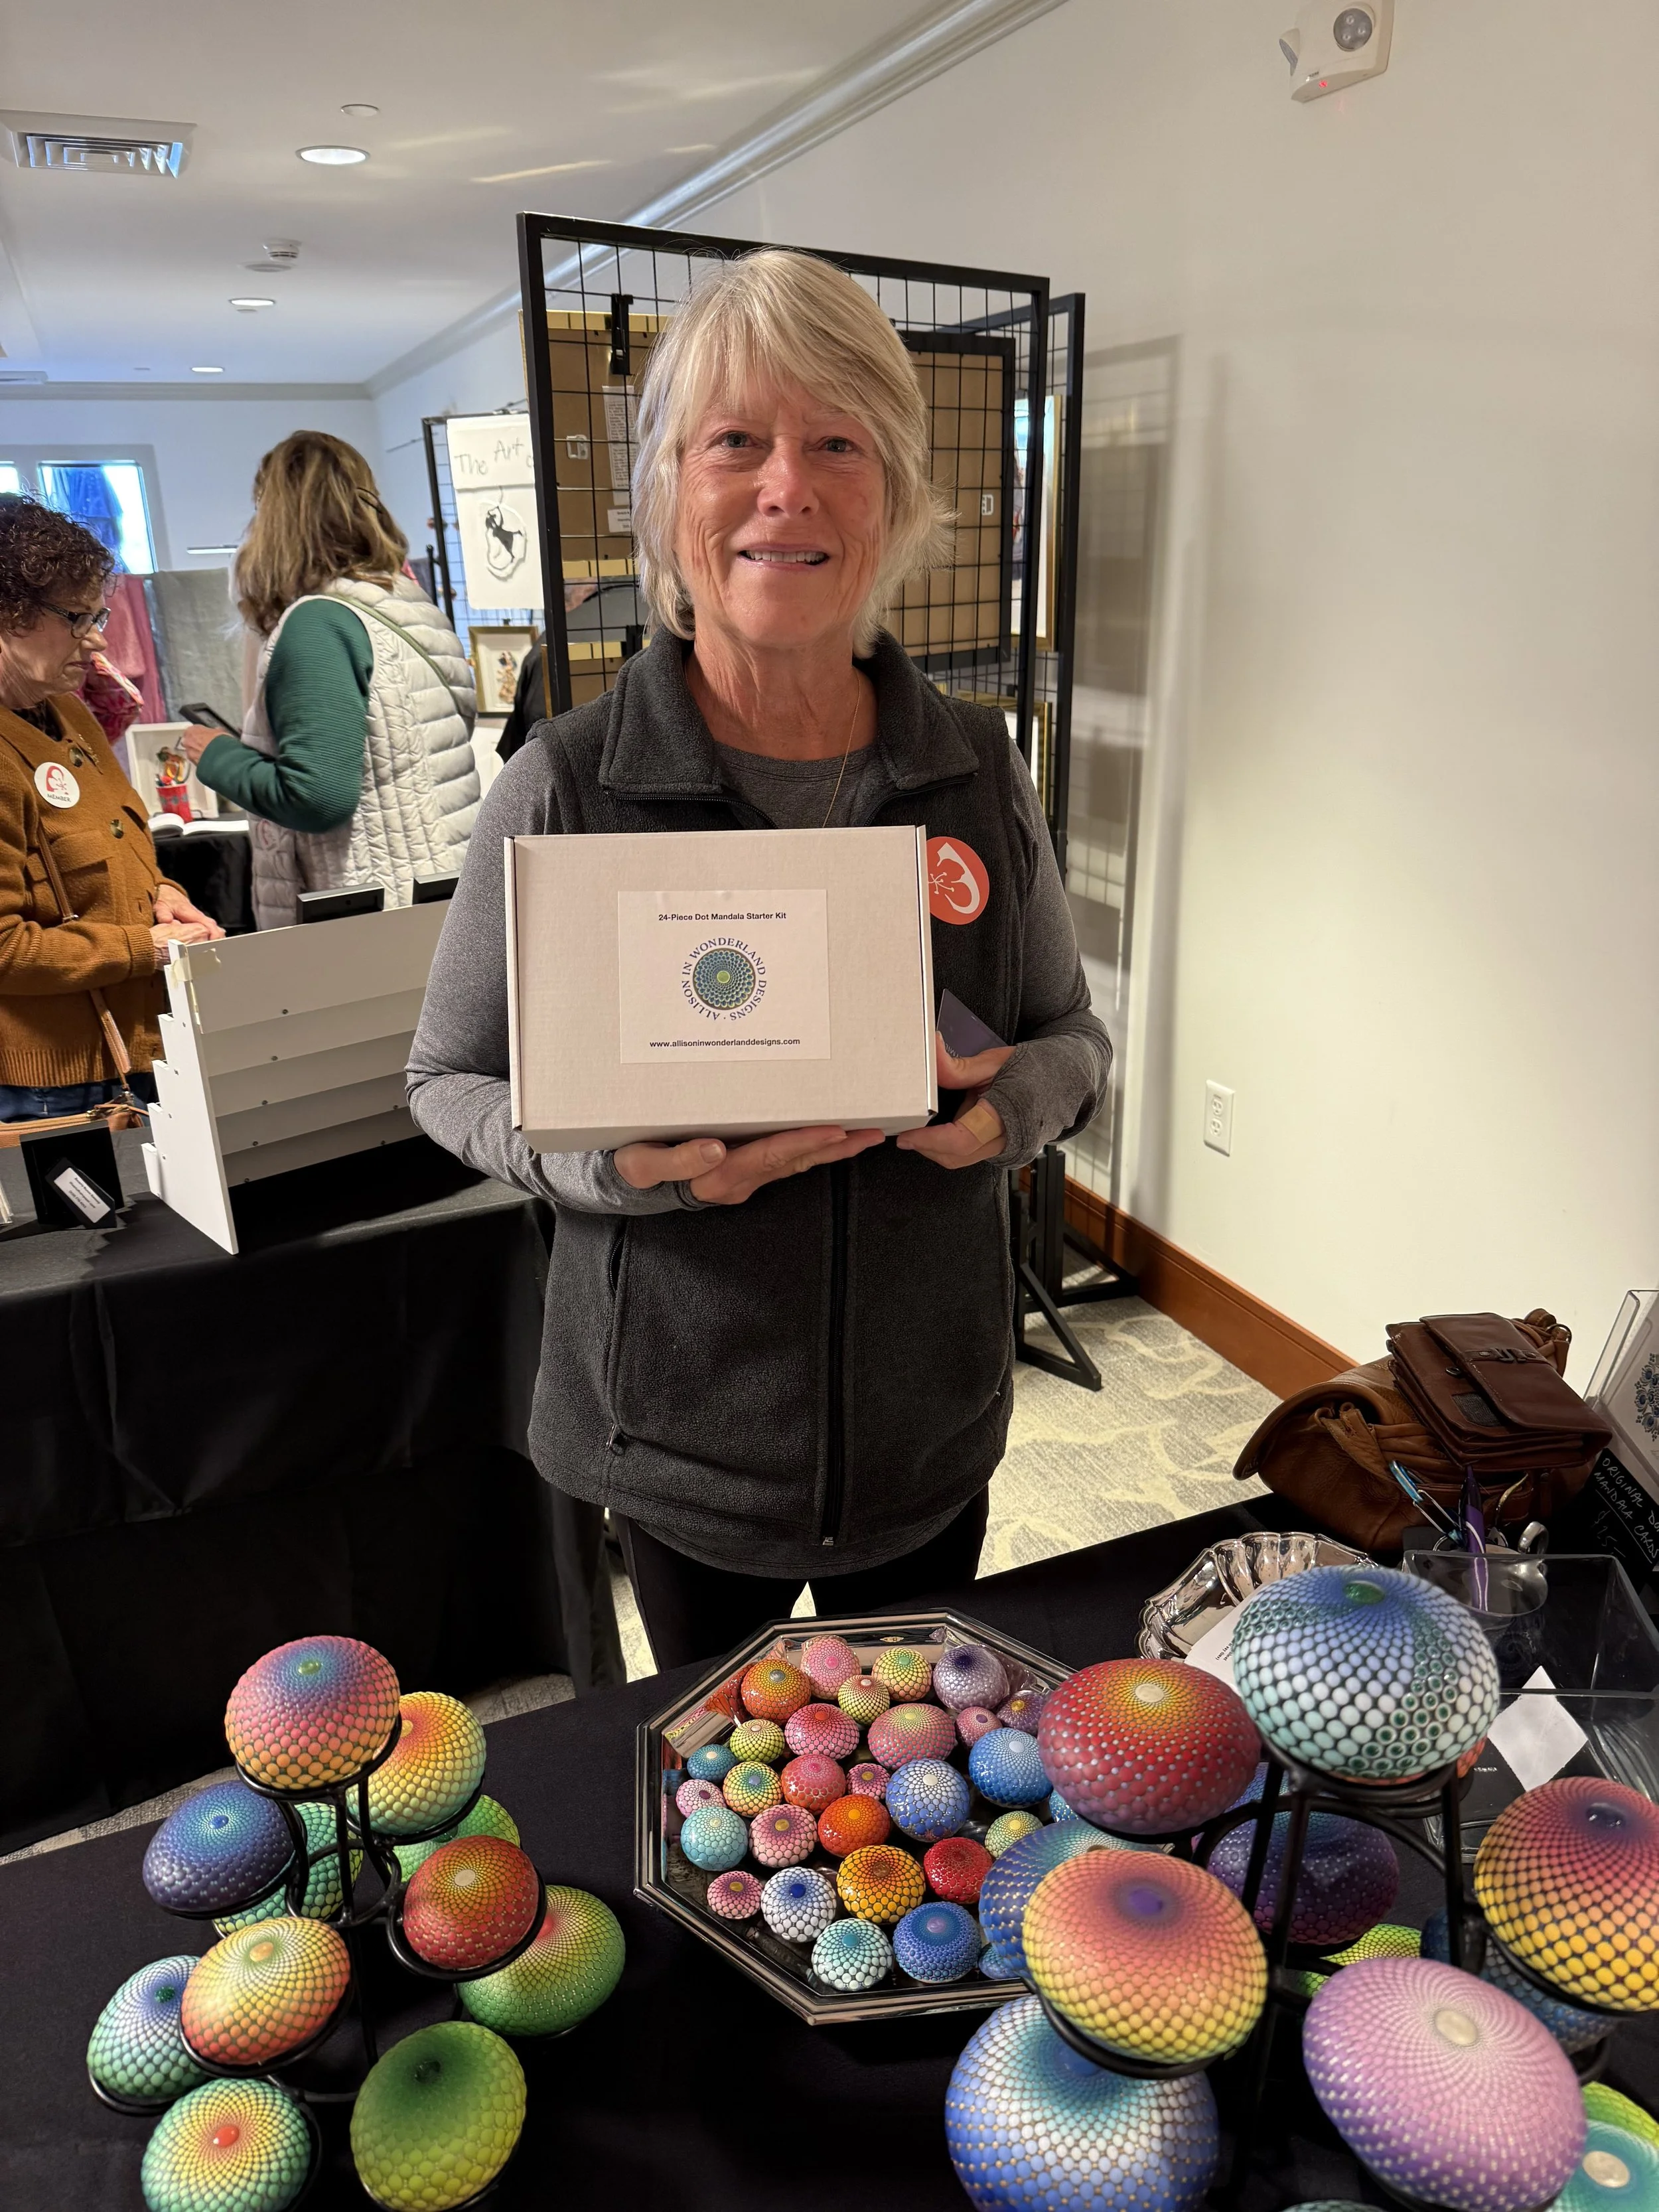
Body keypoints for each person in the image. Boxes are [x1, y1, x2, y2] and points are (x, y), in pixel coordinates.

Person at [409, 250, 1111, 1670]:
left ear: (899, 496)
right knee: (719, 1795)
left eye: (835, 443)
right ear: (665, 492)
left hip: (928, 1430)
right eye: (734, 441)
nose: (784, 486)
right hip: (676, 1449)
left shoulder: (972, 764)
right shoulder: (567, 781)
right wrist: (612, 1165)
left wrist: (997, 1115)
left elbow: (1070, 1041)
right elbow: (448, 1077)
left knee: (915, 1779)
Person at [180, 432, 480, 928]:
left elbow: (318, 797)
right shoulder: (406, 603)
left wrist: (218, 756)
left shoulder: (319, 625)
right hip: (442, 891)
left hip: (373, 912)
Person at [0, 496, 223, 1123]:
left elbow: (115, 843)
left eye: (97, 613)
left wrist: (163, 890)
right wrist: (143, 948)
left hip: (136, 1054)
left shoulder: (68, 710)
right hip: (57, 1086)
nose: (98, 639)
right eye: (77, 617)